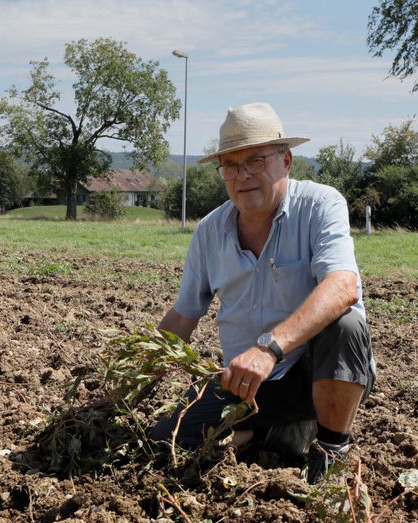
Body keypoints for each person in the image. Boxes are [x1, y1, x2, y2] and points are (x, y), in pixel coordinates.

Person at [152, 102, 376, 485]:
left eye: (256, 161)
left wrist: (270, 348)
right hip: (245, 386)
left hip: (313, 377)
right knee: (162, 444)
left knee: (347, 324)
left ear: (285, 160)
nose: (243, 176)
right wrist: (135, 374)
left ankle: (330, 453)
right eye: (231, 166)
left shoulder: (320, 205)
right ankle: (260, 434)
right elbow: (182, 316)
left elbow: (343, 286)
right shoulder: (210, 231)